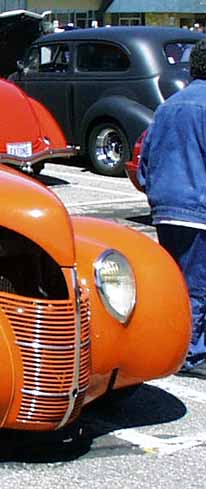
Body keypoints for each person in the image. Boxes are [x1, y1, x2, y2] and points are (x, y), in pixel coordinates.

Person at [138, 39, 206, 379]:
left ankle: (177, 344)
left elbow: (145, 156)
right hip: (198, 207)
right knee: (196, 286)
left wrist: (154, 191)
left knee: (179, 282)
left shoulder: (170, 105)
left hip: (168, 204)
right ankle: (190, 353)